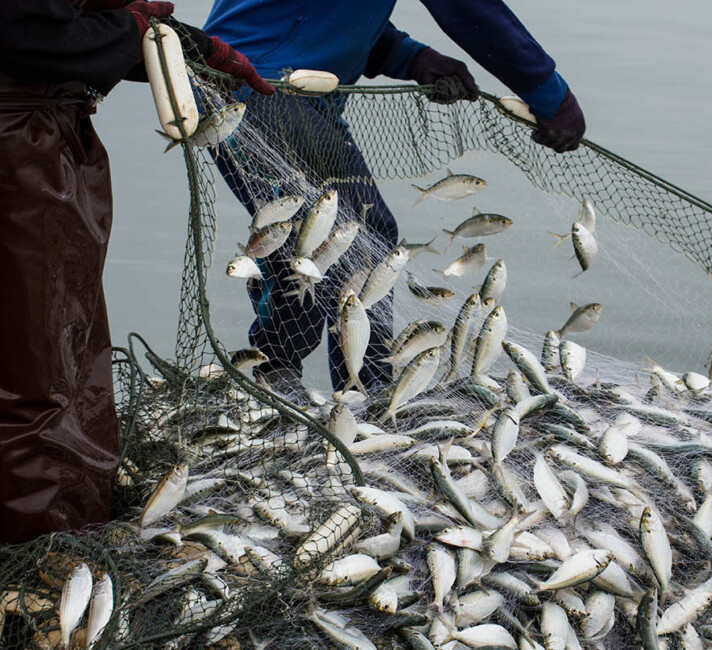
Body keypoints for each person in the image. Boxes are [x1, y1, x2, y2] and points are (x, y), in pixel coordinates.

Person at [203, 0, 587, 395]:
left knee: (345, 233)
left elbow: (325, 13)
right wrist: (549, 93)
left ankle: (330, 383)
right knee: (338, 236)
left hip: (263, 84)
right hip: (262, 88)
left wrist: (411, 57)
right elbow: (471, 10)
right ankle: (327, 387)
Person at [0, 0, 272, 544]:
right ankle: (42, 548)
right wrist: (130, 31)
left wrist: (183, 43)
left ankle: (68, 522)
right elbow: (21, 34)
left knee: (63, 347)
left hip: (43, 131)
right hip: (17, 147)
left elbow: (60, 27)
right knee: (37, 366)